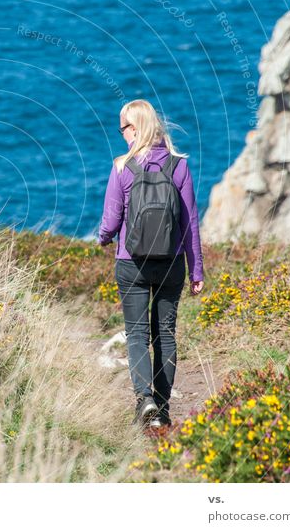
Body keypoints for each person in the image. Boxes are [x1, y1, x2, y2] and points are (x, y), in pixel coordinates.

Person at [97, 99, 205, 429]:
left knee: (136, 334)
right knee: (166, 336)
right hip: (171, 264)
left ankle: (144, 400)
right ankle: (163, 407)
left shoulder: (122, 167)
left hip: (131, 263)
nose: (122, 134)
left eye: (124, 128)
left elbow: (111, 220)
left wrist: (102, 237)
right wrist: (196, 269)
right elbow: (190, 222)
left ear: (137, 128)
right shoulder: (179, 166)